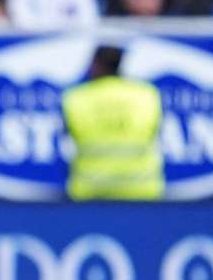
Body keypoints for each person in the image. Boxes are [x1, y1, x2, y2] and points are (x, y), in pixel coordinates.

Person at [62, 45, 165, 200]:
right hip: (141, 190)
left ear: (95, 64)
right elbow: (155, 131)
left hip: (90, 191)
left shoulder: (76, 97)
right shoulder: (147, 94)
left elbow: (68, 135)